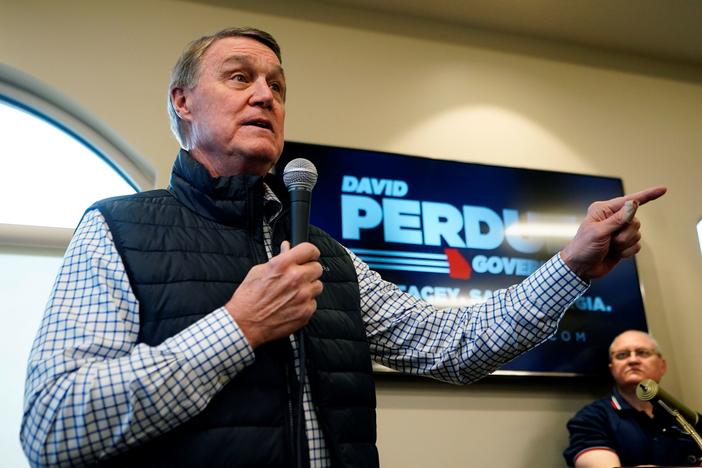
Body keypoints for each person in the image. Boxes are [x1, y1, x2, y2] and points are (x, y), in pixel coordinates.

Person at [20, 27, 666, 468]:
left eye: (276, 85)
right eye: (240, 77)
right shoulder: (117, 228)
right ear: (182, 102)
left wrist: (574, 264)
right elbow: (54, 427)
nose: (265, 95)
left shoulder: (323, 252)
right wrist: (237, 328)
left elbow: (453, 346)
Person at [564, 330, 702, 467]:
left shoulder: (688, 419)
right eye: (622, 355)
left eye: (642, 352)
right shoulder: (590, 418)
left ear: (662, 366)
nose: (633, 360)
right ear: (612, 369)